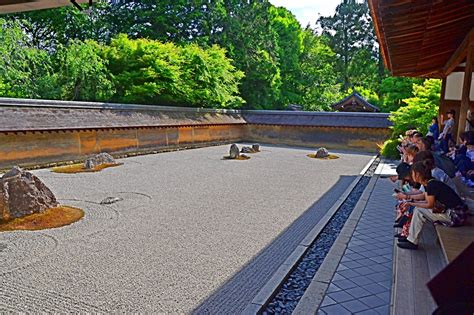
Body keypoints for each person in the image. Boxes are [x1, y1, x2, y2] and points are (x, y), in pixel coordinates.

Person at [397, 161, 468, 250]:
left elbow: (429, 204)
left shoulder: (431, 184)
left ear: (418, 174)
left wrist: (411, 203)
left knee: (419, 210)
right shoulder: (429, 182)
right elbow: (426, 199)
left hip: (456, 215)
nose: (411, 175)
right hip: (453, 213)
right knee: (418, 209)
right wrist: (410, 201)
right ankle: (410, 238)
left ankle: (412, 240)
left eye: (413, 173)